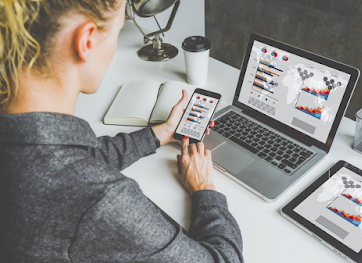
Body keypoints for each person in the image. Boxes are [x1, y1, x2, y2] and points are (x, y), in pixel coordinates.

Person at [0, 0, 243, 262]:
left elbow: (57, 158)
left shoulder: (23, 142)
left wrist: (160, 133)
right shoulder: (101, 199)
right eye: (118, 31)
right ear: (87, 40)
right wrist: (205, 189)